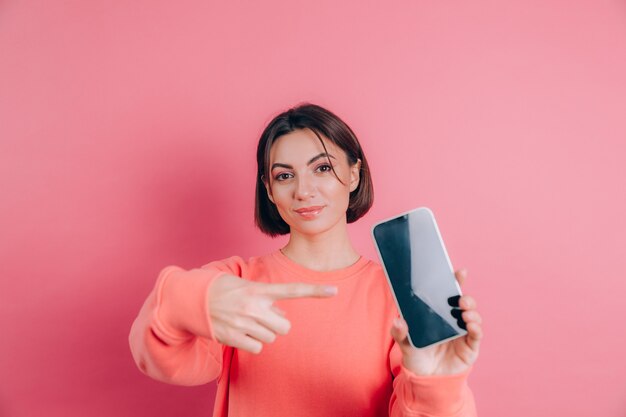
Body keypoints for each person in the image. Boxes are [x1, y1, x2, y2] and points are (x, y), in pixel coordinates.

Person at [129, 103, 483, 417]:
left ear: (355, 174)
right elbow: (158, 355)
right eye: (285, 176)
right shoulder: (234, 285)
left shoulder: (398, 298)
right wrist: (188, 298)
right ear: (269, 189)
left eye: (323, 169)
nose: (303, 190)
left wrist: (436, 382)